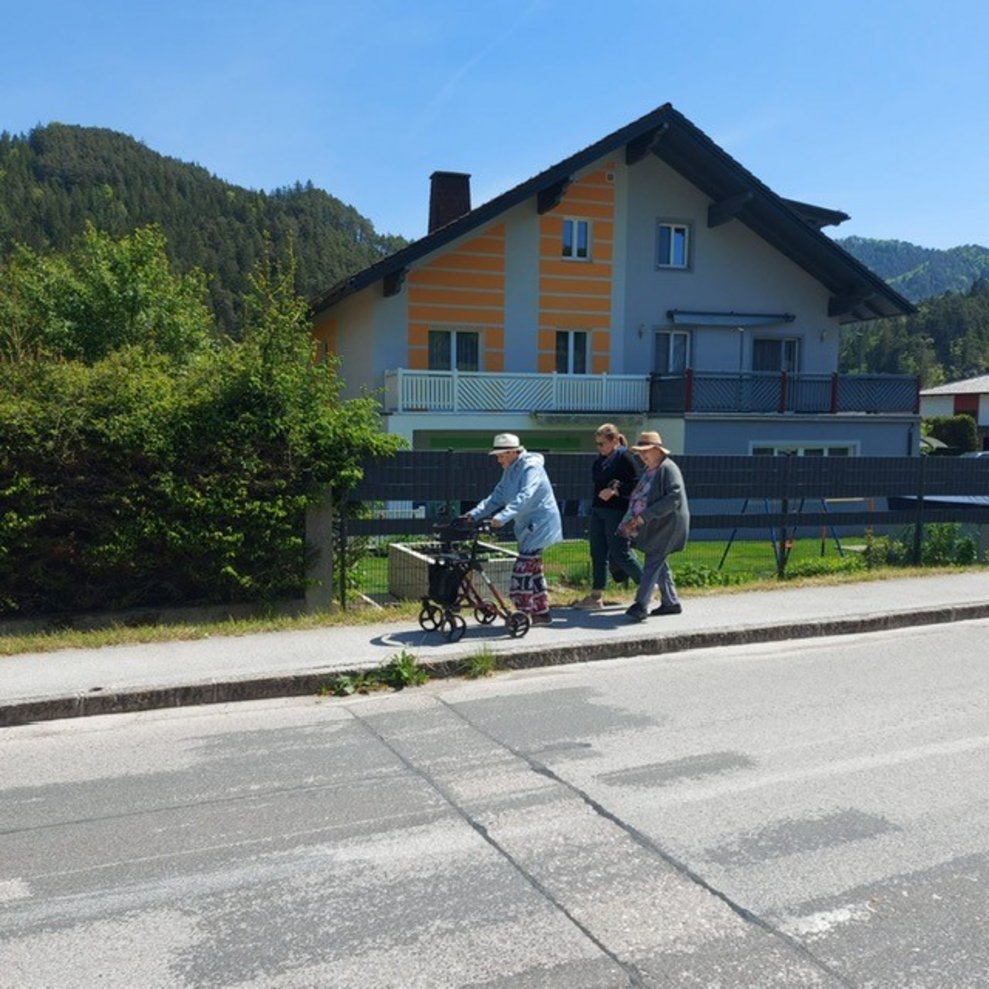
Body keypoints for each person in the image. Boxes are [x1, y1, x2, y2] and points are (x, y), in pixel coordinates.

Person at [463, 433, 563, 624]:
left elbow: (525, 495)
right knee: (532, 568)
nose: (498, 460)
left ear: (511, 452)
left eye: (500, 455)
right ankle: (541, 613)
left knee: (522, 567)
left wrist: (501, 517)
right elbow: (496, 497)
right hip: (526, 524)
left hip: (540, 522)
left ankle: (523, 612)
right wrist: (472, 515)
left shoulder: (531, 467)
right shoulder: (510, 469)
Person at [618, 431, 690, 622]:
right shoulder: (652, 469)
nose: (642, 456)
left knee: (653, 559)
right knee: (658, 560)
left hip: (668, 525)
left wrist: (645, 516)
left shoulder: (668, 468)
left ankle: (641, 605)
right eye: (640, 452)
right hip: (658, 524)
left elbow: (674, 498)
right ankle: (671, 602)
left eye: (645, 451)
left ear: (658, 450)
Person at [575, 423, 643, 609]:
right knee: (597, 552)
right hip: (598, 510)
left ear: (614, 440)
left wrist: (615, 491)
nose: (599, 448)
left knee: (620, 552)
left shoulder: (625, 458)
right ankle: (596, 596)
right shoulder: (601, 460)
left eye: (602, 443)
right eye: (597, 444)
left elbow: (637, 485)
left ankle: (646, 586)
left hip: (617, 511)